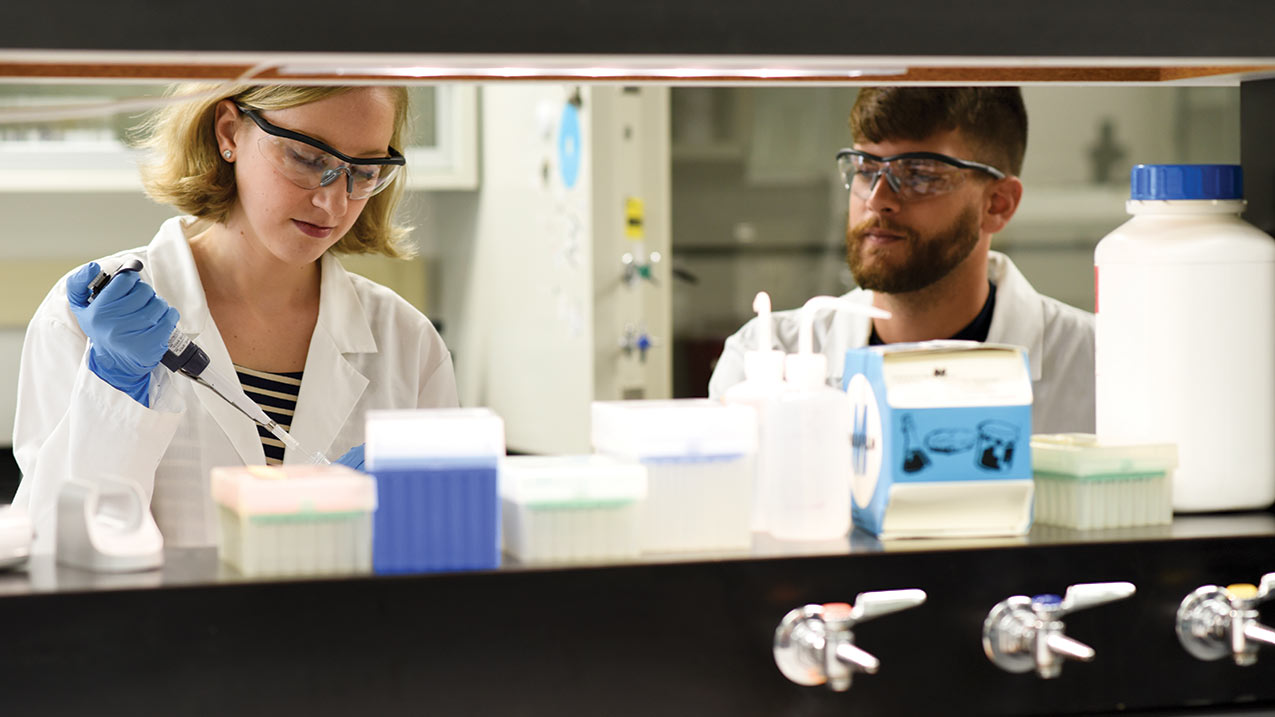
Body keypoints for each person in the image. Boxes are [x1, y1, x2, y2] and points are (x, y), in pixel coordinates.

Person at [12, 84, 459, 554]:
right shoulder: (91, 319)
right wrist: (113, 392)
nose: (334, 203)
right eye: (307, 158)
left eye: (364, 171)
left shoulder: (408, 343)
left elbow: (447, 553)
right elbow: (52, 557)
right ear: (229, 132)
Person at [708, 87, 1094, 434]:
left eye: (919, 175)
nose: (877, 200)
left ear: (997, 204)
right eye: (865, 169)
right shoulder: (766, 358)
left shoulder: (1099, 364)